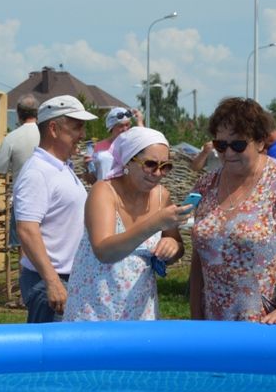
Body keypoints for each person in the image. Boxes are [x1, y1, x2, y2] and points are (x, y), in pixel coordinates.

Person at [189, 97, 276, 323]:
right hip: (216, 320)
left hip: (272, 322)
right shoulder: (205, 185)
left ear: (260, 142)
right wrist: (196, 313)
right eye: (221, 145)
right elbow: (199, 258)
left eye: (238, 144)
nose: (228, 152)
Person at [64, 127, 187, 321]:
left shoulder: (162, 196)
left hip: (140, 310)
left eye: (165, 166)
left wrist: (172, 247)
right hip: (93, 309)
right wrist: (154, 224)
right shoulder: (104, 191)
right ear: (128, 161)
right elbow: (104, 252)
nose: (158, 173)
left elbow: (177, 246)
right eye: (150, 164)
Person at [13, 94, 98, 322]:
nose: (82, 135)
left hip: (63, 278)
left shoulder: (59, 167)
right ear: (53, 128)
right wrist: (52, 281)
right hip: (50, 282)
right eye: (77, 127)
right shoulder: (37, 173)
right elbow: (27, 230)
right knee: (50, 355)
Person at [0, 94, 40, 248]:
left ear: (19, 114)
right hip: (49, 197)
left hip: (23, 199)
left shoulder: (12, 138)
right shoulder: (47, 134)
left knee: (24, 247)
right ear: (37, 113)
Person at [84, 106, 143, 183]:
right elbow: (93, 180)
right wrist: (86, 168)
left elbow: (146, 143)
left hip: (123, 193)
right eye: (121, 126)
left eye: (127, 125)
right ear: (111, 128)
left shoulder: (131, 145)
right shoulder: (99, 147)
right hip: (103, 191)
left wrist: (140, 122)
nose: (125, 129)